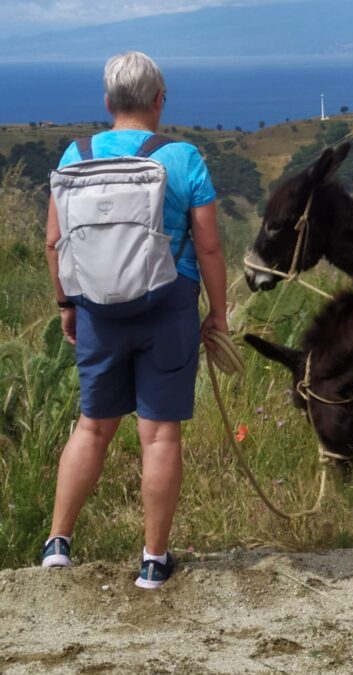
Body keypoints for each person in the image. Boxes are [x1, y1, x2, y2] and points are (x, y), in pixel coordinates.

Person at [41, 51, 228, 588]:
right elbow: (210, 248)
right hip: (168, 303)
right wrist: (217, 314)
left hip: (97, 307)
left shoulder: (74, 156)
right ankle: (152, 560)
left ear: (107, 102)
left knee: (92, 426)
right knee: (159, 435)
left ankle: (58, 543)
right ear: (158, 100)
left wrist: (65, 305)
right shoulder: (185, 157)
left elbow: (55, 242)